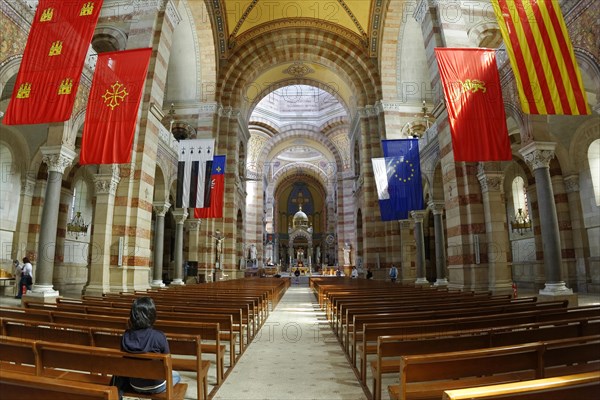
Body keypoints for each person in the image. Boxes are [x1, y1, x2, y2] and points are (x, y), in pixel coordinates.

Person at [115, 297, 181, 396]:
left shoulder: (126, 336)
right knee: (177, 375)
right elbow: (168, 362)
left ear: (133, 315)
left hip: (134, 384)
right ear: (152, 315)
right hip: (156, 386)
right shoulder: (159, 336)